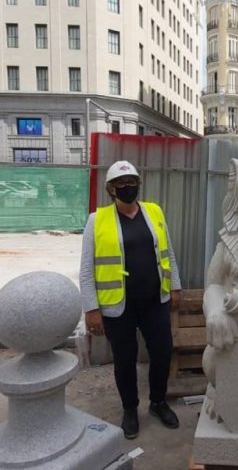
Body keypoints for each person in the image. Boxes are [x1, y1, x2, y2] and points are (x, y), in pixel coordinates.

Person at [80, 160, 183, 439]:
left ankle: (158, 403)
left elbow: (168, 252)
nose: (128, 188)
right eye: (121, 184)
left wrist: (175, 287)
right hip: (118, 306)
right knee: (125, 360)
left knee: (162, 353)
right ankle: (130, 409)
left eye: (132, 182)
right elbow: (87, 268)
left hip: (154, 301)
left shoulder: (153, 211)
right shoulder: (96, 219)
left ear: (138, 183)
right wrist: (91, 308)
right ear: (110, 189)